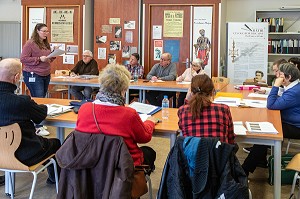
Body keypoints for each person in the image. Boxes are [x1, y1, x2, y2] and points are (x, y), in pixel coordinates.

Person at [75, 63, 158, 170]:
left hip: (92, 164)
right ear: (123, 89)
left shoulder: (84, 109)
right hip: (123, 165)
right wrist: (150, 122)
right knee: (149, 152)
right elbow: (145, 137)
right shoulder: (129, 114)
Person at [0, 58, 61, 184]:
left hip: (1, 153)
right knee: (55, 143)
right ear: (16, 77)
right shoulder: (22, 102)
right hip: (24, 153)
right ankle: (54, 180)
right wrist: (42, 106)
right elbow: (41, 115)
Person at [242, 63, 300, 176]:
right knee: (266, 129)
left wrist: (275, 86)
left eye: (281, 75)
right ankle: (258, 161)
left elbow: (271, 105)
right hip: (290, 121)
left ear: (288, 77)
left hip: (296, 127)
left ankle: (245, 170)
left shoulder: (294, 91)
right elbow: (280, 98)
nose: (278, 76)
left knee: (266, 133)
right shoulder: (294, 86)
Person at [178, 74, 235, 144]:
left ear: (191, 92)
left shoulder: (183, 110)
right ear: (212, 92)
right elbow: (231, 139)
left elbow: (183, 130)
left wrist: (187, 99)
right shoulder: (224, 109)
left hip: (192, 154)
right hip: (219, 153)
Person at [20, 23, 56, 98]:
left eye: (47, 31)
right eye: (44, 31)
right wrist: (39, 59)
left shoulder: (45, 43)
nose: (46, 33)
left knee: (42, 97)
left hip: (46, 74)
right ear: (37, 31)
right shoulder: (30, 43)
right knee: (38, 98)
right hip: (33, 74)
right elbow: (23, 59)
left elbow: (47, 59)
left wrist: (53, 54)